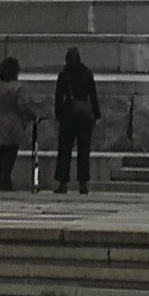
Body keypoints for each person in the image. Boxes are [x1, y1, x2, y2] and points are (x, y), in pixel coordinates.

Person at [52, 47, 100, 195]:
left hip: (68, 114)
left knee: (64, 150)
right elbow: (93, 95)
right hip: (84, 115)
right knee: (84, 150)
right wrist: (96, 114)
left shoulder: (64, 75)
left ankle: (63, 183)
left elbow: (58, 96)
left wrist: (58, 114)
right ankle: (83, 183)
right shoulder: (87, 73)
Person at [0, 57, 37, 192]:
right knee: (9, 156)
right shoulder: (19, 88)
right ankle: (5, 183)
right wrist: (32, 116)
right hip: (13, 126)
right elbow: (22, 106)